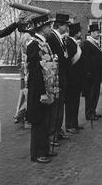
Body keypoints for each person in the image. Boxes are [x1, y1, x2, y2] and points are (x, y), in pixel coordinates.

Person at [26, 14, 59, 163]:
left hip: (47, 89)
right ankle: (37, 153)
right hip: (40, 91)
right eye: (48, 27)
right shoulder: (34, 45)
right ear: (42, 28)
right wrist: (42, 93)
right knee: (39, 122)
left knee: (46, 121)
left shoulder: (45, 43)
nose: (50, 29)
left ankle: (44, 149)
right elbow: (35, 72)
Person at [47, 13, 71, 144]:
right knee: (55, 108)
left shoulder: (59, 38)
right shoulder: (52, 37)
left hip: (62, 77)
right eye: (66, 25)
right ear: (59, 25)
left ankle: (58, 130)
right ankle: (52, 134)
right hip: (57, 78)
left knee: (60, 106)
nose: (67, 28)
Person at [65, 22, 84, 133]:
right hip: (72, 79)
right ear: (76, 33)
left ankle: (74, 123)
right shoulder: (69, 43)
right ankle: (69, 125)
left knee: (75, 102)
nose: (81, 33)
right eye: (79, 32)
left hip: (76, 78)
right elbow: (70, 62)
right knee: (70, 103)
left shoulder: (73, 43)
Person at [81, 24, 102, 121]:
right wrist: (88, 72)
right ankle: (89, 113)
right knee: (90, 94)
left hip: (97, 73)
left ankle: (93, 111)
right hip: (91, 74)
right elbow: (86, 59)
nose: (98, 34)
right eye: (96, 32)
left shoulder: (95, 43)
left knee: (95, 93)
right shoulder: (87, 43)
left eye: (98, 32)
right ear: (92, 33)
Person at [13, 22, 33, 126]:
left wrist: (20, 67)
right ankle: (21, 115)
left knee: (22, 94)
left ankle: (18, 114)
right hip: (27, 69)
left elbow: (18, 56)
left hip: (23, 69)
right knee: (27, 94)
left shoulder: (22, 37)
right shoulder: (28, 37)